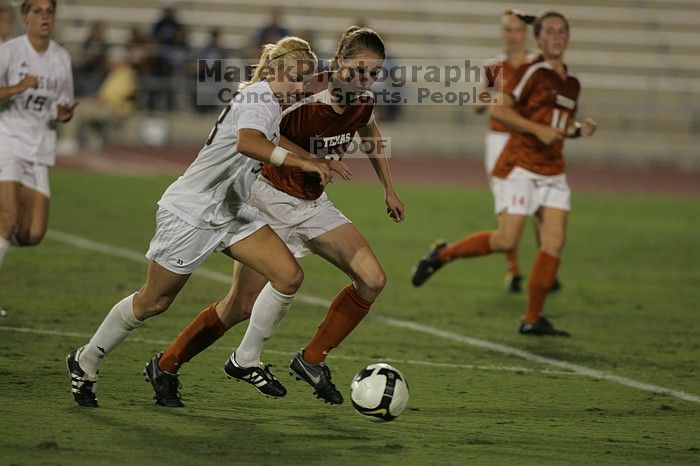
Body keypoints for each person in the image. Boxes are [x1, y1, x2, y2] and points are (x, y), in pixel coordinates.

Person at [66, 36, 349, 408]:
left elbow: (272, 138)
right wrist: (303, 163)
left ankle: (246, 359)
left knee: (288, 275)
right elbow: (248, 142)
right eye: (295, 78)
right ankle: (86, 359)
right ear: (276, 70)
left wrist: (316, 160)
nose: (300, 87)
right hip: (192, 212)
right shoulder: (260, 98)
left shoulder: (270, 99)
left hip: (231, 210)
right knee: (153, 302)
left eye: (305, 80)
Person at [144, 26, 404, 407]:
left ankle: (311, 359)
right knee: (240, 306)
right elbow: (261, 134)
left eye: (373, 74)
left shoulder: (362, 101)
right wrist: (310, 159)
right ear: (338, 62)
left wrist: (389, 188)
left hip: (312, 203)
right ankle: (167, 364)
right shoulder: (300, 91)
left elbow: (371, 133)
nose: (365, 80)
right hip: (266, 199)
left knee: (372, 279)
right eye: (358, 70)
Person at [411, 12, 597, 336]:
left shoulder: (572, 81)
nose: (557, 37)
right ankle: (444, 255)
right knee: (507, 237)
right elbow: (494, 108)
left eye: (562, 31)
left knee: (553, 241)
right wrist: (537, 129)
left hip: (553, 169)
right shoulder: (523, 71)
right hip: (519, 163)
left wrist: (580, 130)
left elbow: (560, 124)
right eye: (550, 31)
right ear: (539, 38)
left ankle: (532, 318)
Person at [0, 0, 76, 318]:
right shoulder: (10, 51)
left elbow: (63, 104)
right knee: (9, 218)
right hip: (8, 141)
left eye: (50, 12)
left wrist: (64, 113)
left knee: (32, 233)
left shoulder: (61, 58)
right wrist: (18, 86)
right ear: (25, 17)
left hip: (41, 148)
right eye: (38, 12)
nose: (45, 18)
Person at [474, 10, 537, 293]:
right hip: (500, 140)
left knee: (537, 205)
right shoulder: (494, 66)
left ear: (526, 33)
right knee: (506, 205)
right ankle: (513, 269)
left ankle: (545, 264)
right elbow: (477, 104)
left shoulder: (539, 65)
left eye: (517, 30)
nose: (512, 35)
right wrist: (495, 95)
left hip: (529, 140)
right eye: (508, 30)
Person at [58, 46, 137, 154]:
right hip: (108, 106)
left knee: (73, 109)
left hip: (114, 109)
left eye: (112, 61)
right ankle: (93, 140)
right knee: (83, 106)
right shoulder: (116, 74)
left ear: (119, 61)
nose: (109, 63)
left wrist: (97, 99)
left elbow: (113, 96)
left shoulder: (124, 75)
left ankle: (68, 141)